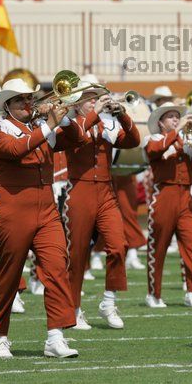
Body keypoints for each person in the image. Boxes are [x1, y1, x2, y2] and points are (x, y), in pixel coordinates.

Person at [0, 79, 81, 359]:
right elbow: (15, 150)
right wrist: (49, 124)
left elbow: (77, 140)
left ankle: (55, 336)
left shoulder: (40, 127)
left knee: (57, 267)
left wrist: (66, 115)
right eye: (20, 100)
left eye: (30, 98)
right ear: (7, 106)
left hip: (46, 207)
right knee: (9, 274)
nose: (28, 103)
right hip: (12, 207)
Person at [63, 89, 140, 330]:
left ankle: (108, 302)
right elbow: (76, 136)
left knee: (119, 245)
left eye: (97, 97)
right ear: (77, 104)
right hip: (79, 190)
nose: (95, 102)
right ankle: (73, 309)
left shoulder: (106, 123)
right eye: (89, 98)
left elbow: (133, 141)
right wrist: (96, 114)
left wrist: (123, 116)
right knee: (76, 254)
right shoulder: (70, 123)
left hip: (106, 191)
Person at [143, 102, 192, 308]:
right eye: (170, 117)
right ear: (161, 122)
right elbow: (154, 151)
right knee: (158, 247)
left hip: (186, 196)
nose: (176, 119)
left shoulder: (186, 139)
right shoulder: (153, 139)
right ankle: (154, 294)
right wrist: (177, 132)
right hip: (164, 195)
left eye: (176, 116)